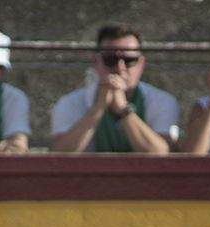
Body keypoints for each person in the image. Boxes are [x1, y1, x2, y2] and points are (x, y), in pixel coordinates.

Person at [49, 24, 179, 153]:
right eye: (110, 60)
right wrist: (97, 110)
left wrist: (124, 110)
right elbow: (59, 155)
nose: (119, 68)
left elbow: (162, 155)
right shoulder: (70, 102)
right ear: (95, 61)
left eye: (129, 60)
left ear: (141, 64)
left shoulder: (162, 101)